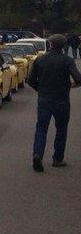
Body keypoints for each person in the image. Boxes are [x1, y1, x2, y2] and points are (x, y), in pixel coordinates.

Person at [27, 34, 81, 171]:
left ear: (50, 45)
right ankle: (57, 158)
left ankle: (37, 154)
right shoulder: (67, 60)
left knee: (41, 128)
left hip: (44, 99)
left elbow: (30, 81)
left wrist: (41, 89)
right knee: (61, 129)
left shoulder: (40, 60)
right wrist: (72, 85)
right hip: (62, 100)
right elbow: (78, 78)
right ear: (63, 46)